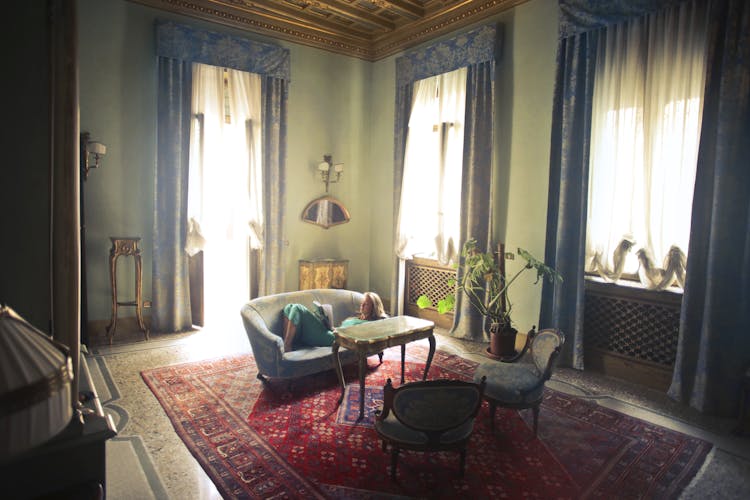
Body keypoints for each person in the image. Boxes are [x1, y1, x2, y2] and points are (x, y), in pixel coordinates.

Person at [282, 292, 387, 352]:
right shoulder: (358, 319)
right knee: (289, 307)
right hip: (331, 332)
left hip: (335, 339)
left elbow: (384, 323)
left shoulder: (370, 324)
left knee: (297, 308)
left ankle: (287, 345)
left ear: (374, 307)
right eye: (362, 303)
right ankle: (291, 341)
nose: (362, 306)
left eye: (366, 304)